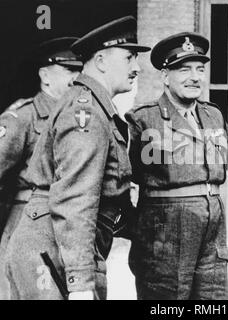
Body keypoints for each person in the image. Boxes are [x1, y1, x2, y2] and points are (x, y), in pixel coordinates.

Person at [5, 15, 150, 300]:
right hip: (51, 253)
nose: (137, 68)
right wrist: (81, 282)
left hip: (58, 248)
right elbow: (76, 199)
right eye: (129, 57)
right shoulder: (86, 113)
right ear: (101, 60)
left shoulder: (95, 108)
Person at [125, 32, 228, 300]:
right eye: (184, 69)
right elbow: (123, 177)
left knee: (213, 301)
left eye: (200, 69)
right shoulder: (143, 119)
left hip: (213, 231)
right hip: (164, 234)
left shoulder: (213, 115)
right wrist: (140, 226)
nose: (195, 77)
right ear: (164, 76)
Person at [0, 37, 82, 300]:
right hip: (28, 220)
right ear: (44, 75)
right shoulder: (22, 117)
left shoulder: (79, 116)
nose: (77, 77)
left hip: (68, 224)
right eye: (70, 70)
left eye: (80, 70)